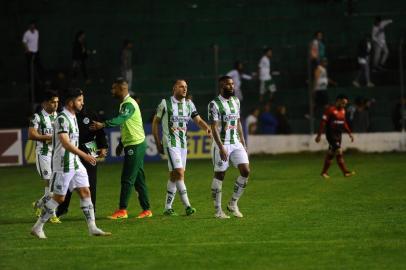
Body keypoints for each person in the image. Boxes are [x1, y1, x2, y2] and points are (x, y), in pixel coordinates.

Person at [31, 88, 111, 239]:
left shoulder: (73, 116)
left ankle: (92, 228)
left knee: (85, 192)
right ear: (70, 101)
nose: (82, 102)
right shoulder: (62, 118)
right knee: (59, 198)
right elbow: (66, 144)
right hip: (63, 163)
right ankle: (38, 226)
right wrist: (85, 156)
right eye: (80, 100)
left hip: (74, 161)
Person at [90, 78, 151, 219]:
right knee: (138, 179)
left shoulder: (128, 104)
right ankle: (146, 209)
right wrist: (121, 144)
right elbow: (127, 125)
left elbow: (121, 119)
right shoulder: (125, 104)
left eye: (114, 88)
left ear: (122, 88)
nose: (112, 91)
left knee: (127, 178)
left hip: (135, 145)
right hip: (134, 144)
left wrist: (103, 125)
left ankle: (122, 210)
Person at [152, 80, 211, 216]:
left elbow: (198, 120)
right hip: (170, 143)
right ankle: (188, 206)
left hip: (183, 145)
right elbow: (155, 123)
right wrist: (157, 142)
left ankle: (167, 208)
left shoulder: (189, 104)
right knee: (179, 173)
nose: (184, 89)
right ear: (174, 88)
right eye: (181, 86)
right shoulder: (165, 103)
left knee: (174, 176)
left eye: (186, 87)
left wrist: (206, 128)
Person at [208, 76, 250, 218]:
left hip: (236, 142)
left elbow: (238, 122)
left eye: (232, 84)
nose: (232, 86)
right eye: (228, 84)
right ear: (221, 86)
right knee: (220, 175)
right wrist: (221, 147)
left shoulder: (236, 101)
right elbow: (213, 128)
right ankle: (218, 211)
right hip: (222, 143)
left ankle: (233, 203)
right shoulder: (214, 104)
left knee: (245, 171)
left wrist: (243, 142)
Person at [56, 106, 108, 217]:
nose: (82, 103)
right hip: (72, 149)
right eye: (79, 100)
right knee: (67, 181)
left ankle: (91, 210)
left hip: (90, 149)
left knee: (91, 182)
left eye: (82, 100)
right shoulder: (66, 116)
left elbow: (100, 131)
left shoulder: (91, 113)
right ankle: (62, 208)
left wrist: (103, 146)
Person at [29, 90, 61, 224]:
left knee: (56, 186)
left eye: (57, 102)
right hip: (43, 154)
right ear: (45, 103)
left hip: (56, 155)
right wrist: (48, 137)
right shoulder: (37, 117)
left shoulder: (59, 116)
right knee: (51, 185)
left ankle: (38, 204)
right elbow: (31, 135)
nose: (55, 105)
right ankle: (52, 214)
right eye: (53, 102)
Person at [315, 94, 355, 179]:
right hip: (331, 134)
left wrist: (350, 133)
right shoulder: (330, 110)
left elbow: (344, 123)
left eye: (345, 104)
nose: (344, 105)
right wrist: (319, 135)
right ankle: (345, 172)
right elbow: (323, 123)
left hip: (338, 135)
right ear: (338, 101)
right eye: (343, 103)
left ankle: (324, 173)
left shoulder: (343, 111)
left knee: (331, 154)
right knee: (339, 151)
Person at [22, 20, 42, 101]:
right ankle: (30, 81)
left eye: (33, 26)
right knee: (29, 67)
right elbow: (24, 42)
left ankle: (38, 79)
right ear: (29, 26)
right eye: (31, 26)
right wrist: (27, 49)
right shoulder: (27, 33)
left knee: (38, 65)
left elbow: (36, 41)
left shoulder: (37, 32)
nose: (32, 27)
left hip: (36, 52)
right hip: (29, 53)